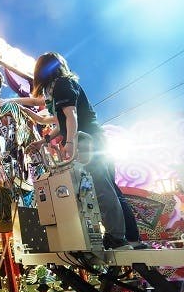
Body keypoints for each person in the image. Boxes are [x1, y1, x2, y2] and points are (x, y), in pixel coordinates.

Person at [21, 52, 133, 250]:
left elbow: (71, 116)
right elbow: (60, 124)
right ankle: (129, 237)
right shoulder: (58, 88)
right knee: (108, 187)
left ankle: (117, 237)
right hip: (92, 140)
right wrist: (43, 141)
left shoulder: (62, 84)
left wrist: (70, 142)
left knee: (100, 187)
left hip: (88, 141)